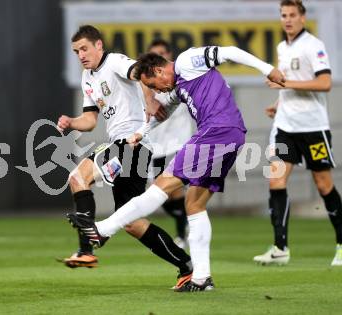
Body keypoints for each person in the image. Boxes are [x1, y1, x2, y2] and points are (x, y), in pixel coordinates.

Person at [68, 45, 285, 292]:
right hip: (232, 135)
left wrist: (267, 69)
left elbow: (230, 51)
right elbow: (165, 110)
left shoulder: (186, 61)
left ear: (160, 71)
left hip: (216, 132)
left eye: (152, 85)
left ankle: (102, 230)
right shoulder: (179, 85)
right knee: (194, 204)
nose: (155, 91)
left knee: (161, 186)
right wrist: (141, 132)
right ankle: (202, 278)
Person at [58, 25, 194, 289]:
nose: (81, 55)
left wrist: (151, 100)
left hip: (132, 144)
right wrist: (72, 122)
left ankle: (87, 249)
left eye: (85, 48)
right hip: (131, 149)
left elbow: (141, 73)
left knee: (77, 177)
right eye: (76, 51)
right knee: (132, 222)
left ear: (99, 45)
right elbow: (90, 119)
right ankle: (186, 266)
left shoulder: (116, 62)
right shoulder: (88, 77)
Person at [253, 0, 342, 266]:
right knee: (276, 181)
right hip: (285, 127)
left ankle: (341, 243)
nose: (288, 19)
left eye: (293, 15)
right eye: (284, 15)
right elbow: (290, 84)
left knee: (324, 185)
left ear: (302, 18)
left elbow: (325, 83)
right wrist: (279, 103)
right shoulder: (283, 46)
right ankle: (281, 248)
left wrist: (284, 83)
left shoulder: (313, 46)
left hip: (313, 127)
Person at [147, 39, 193, 248]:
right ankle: (188, 221)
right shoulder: (148, 85)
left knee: (174, 190)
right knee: (161, 195)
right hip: (156, 147)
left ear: (169, 55)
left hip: (179, 143)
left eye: (161, 54)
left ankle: (185, 233)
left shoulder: (179, 77)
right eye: (153, 55)